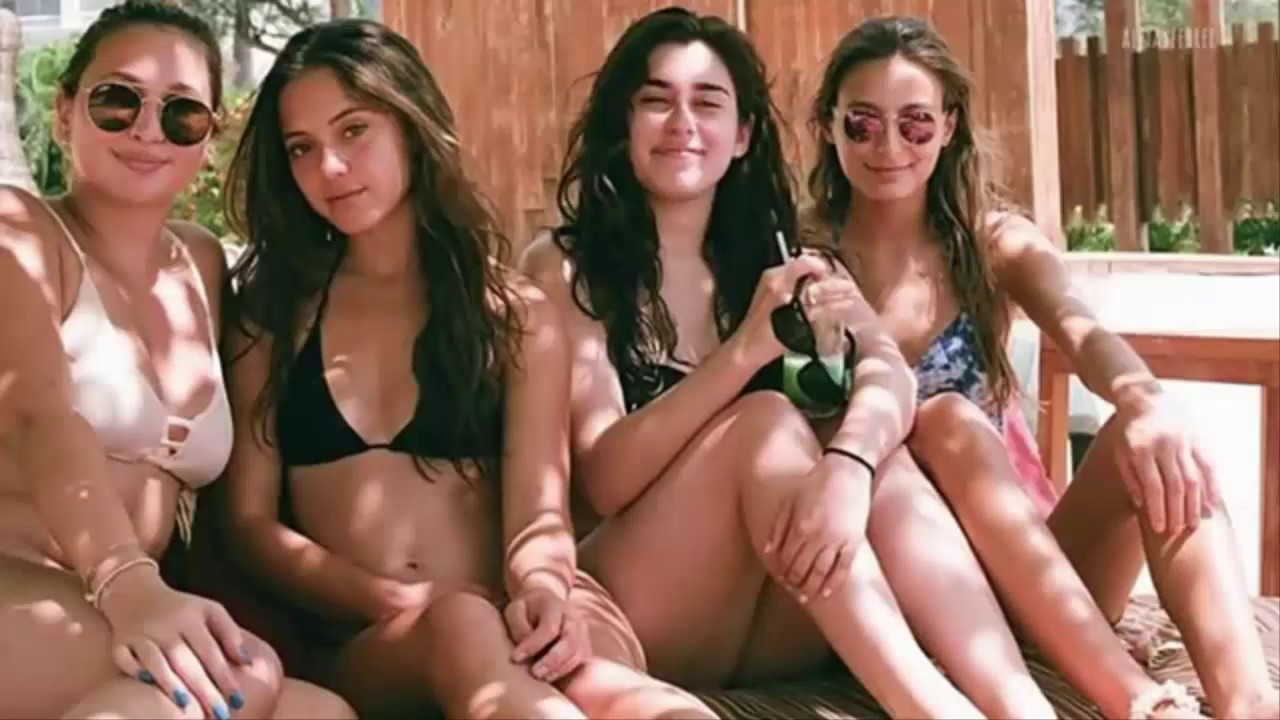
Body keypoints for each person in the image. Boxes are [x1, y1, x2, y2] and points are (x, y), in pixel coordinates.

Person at [523, 7, 1068, 719]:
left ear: (743, 134)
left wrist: (850, 465)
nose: (683, 123)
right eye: (656, 100)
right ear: (622, 125)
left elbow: (888, 373)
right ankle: (933, 708)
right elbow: (604, 478)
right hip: (643, 608)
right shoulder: (568, 267)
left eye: (707, 103)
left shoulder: (780, 260)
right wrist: (746, 350)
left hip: (776, 612)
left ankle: (1021, 707)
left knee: (876, 455)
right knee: (767, 423)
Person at [221, 18, 717, 719]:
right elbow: (247, 526)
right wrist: (388, 597)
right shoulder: (272, 315)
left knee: (632, 697)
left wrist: (543, 588)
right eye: (302, 147)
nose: (329, 166)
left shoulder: (513, 315)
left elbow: (537, 517)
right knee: (459, 622)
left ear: (411, 124)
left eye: (354, 130)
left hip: (507, 621)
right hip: (370, 644)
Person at [804, 15, 1276, 720]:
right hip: (894, 587)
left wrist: (1146, 402)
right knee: (947, 419)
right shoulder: (800, 256)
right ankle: (1138, 700)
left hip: (1027, 579)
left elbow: (1083, 333)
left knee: (1148, 440)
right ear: (828, 125)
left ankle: (1250, 704)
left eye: (916, 123)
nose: (890, 146)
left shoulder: (991, 243)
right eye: (863, 123)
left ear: (950, 126)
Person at [0, 2, 353, 719]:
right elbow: (37, 415)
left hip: (115, 603)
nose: (147, 129)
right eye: (117, 100)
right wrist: (127, 581)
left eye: (181, 113)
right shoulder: (21, 231)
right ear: (65, 110)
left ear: (209, 136)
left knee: (322, 713)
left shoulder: (200, 261)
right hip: (26, 586)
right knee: (246, 675)